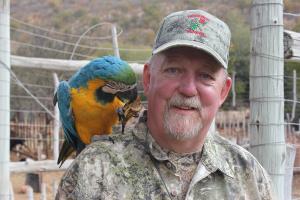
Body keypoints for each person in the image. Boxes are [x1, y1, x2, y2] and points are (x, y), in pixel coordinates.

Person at [56, 9, 274, 200]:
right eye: (174, 70)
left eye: (206, 75)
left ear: (224, 91)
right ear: (148, 79)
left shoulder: (250, 175)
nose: (188, 89)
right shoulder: (93, 170)